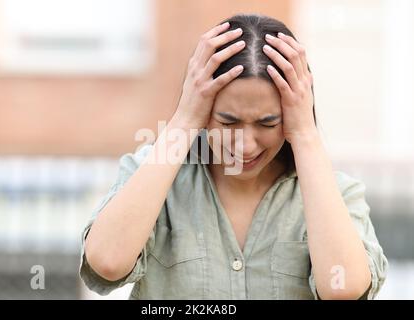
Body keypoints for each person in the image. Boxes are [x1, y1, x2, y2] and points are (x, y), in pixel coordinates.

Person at [79, 13, 388, 299]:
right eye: (228, 122)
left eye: (267, 123)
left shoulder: (336, 193)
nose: (245, 146)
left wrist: (306, 135)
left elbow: (343, 289)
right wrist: (184, 121)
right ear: (202, 110)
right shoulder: (153, 173)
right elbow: (107, 261)